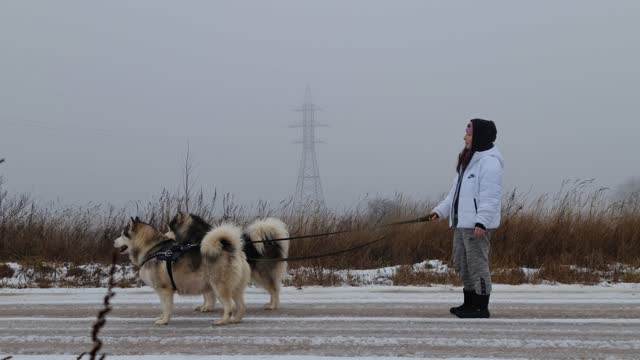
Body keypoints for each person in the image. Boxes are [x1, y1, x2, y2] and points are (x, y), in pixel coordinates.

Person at [428, 119, 503, 318]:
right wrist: (440, 211)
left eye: (468, 134)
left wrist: (482, 222)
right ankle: (469, 303)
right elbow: (455, 193)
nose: (464, 137)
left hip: (476, 225)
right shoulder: (469, 161)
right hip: (462, 223)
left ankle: (481, 307)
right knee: (462, 262)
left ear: (479, 136)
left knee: (477, 264)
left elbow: (491, 196)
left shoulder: (490, 162)